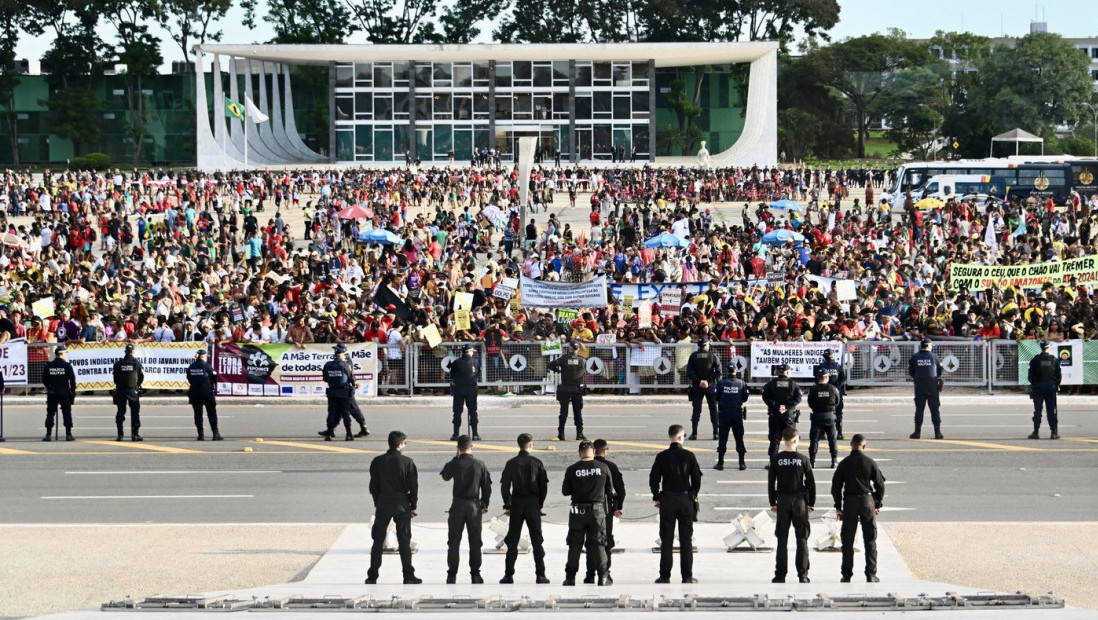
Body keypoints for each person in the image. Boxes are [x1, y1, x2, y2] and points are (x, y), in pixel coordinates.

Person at [365, 431, 422, 585]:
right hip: (402, 502)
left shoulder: (377, 461)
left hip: (383, 502)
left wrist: (378, 501)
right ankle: (408, 575)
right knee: (404, 540)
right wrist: (413, 504)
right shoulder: (408, 462)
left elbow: (373, 486)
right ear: (400, 445)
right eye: (404, 443)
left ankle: (372, 575)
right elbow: (414, 486)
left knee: (377, 540)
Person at [650, 424, 703, 584]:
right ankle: (687, 576)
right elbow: (696, 478)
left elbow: (654, 478)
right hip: (685, 499)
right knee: (686, 539)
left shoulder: (662, 456)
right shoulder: (689, 455)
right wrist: (693, 493)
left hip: (667, 499)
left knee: (666, 539)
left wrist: (657, 496)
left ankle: (664, 576)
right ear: (680, 437)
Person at [831, 434, 886, 583]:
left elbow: (836, 486)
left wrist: (838, 506)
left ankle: (847, 575)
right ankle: (871, 574)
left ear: (851, 444)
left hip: (849, 502)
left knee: (847, 541)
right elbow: (880, 484)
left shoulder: (844, 463)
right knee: (870, 540)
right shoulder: (870, 462)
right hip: (867, 501)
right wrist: (878, 503)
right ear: (864, 446)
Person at [561, 439, 614, 586]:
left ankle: (570, 577)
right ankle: (603, 576)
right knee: (599, 544)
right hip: (597, 512)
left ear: (579, 453)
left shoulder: (572, 469)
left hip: (577, 511)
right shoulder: (603, 467)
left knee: (575, 545)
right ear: (594, 452)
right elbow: (610, 491)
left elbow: (565, 491)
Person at [440, 435, 492, 584]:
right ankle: (475, 574)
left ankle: (452, 574)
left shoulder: (456, 463)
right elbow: (487, 487)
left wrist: (455, 459)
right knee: (475, 541)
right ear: (472, 447)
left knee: (454, 541)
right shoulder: (480, 464)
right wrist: (484, 504)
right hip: (474, 505)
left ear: (458, 449)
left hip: (457, 504)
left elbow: (445, 476)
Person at [499, 433, 550, 584]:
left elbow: (505, 487)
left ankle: (508, 575)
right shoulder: (537, 463)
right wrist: (539, 504)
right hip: (533, 503)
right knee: (537, 541)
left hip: (517, 503)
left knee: (512, 540)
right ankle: (540, 574)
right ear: (530, 444)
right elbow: (543, 487)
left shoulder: (511, 463)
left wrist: (508, 505)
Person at [767, 427, 815, 584]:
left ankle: (780, 575)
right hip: (799, 501)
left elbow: (771, 482)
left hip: (783, 500)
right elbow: (811, 483)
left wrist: (772, 502)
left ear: (784, 440)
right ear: (796, 440)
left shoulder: (776, 459)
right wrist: (811, 502)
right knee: (802, 538)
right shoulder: (803, 459)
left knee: (782, 539)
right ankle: (803, 574)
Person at [586, 439, 625, 584]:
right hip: (606, 507)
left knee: (590, 540)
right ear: (605, 450)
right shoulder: (611, 466)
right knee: (605, 539)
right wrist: (618, 506)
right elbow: (620, 489)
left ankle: (589, 574)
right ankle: (605, 573)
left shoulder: (586, 465)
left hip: (587, 507)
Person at [761, 364, 802, 465]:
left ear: (778, 372)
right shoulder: (793, 384)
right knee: (791, 438)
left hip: (775, 414)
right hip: (789, 415)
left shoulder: (770, 384)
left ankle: (772, 462)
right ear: (787, 372)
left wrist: (777, 406)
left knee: (775, 440)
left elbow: (766, 397)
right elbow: (798, 398)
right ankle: (793, 461)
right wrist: (786, 407)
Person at [547, 342, 586, 441]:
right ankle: (579, 433)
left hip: (565, 387)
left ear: (570, 349)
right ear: (577, 349)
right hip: (577, 388)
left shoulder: (564, 359)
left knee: (563, 412)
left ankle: (561, 433)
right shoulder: (582, 360)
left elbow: (550, 365)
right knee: (577, 412)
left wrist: (559, 371)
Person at [714, 361, 749, 470]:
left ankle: (720, 463)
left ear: (726, 370)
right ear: (736, 370)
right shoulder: (741, 383)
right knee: (739, 437)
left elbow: (716, 397)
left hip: (724, 413)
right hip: (736, 413)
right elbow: (745, 397)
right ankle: (741, 463)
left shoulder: (721, 383)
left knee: (723, 438)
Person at [685, 337, 721, 440]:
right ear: (706, 345)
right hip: (710, 386)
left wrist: (699, 381)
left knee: (696, 410)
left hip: (697, 386)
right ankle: (716, 433)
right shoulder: (713, 356)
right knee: (713, 410)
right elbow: (718, 372)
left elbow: (689, 372)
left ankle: (694, 433)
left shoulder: (693, 356)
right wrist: (708, 381)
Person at [907, 339, 944, 439]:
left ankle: (917, 433)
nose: (932, 346)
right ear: (928, 345)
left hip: (919, 386)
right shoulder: (934, 356)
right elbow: (940, 370)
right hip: (932, 386)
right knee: (935, 410)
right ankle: (938, 433)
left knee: (919, 410)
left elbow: (911, 372)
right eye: (931, 345)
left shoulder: (915, 357)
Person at [807, 367, 840, 468]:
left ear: (818, 377)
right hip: (829, 416)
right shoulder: (833, 389)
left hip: (817, 416)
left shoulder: (812, 389)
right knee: (832, 440)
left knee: (814, 440)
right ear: (827, 377)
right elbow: (837, 402)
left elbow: (810, 403)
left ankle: (812, 461)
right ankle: (834, 460)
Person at [1027, 340, 1061, 439]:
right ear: (1048, 347)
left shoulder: (1035, 359)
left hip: (1038, 386)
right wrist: (1057, 384)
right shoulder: (1054, 360)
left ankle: (1036, 432)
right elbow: (1058, 375)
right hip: (1051, 387)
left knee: (1038, 410)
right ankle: (1054, 432)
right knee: (1051, 410)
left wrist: (1034, 385)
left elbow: (1030, 376)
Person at [43, 344, 77, 441]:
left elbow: (45, 380)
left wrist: (49, 387)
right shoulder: (67, 366)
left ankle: (48, 435)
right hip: (64, 393)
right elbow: (72, 380)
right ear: (61, 354)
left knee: (50, 413)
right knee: (66, 413)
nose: (66, 355)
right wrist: (72, 392)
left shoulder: (48, 366)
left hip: (52, 393)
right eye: (65, 353)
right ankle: (68, 434)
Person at [322, 343, 355, 441]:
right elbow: (351, 378)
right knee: (345, 414)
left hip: (332, 392)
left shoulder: (327, 364)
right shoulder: (345, 365)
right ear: (341, 355)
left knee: (331, 413)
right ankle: (348, 434)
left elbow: (325, 378)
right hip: (343, 392)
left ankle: (328, 434)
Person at [112, 343, 144, 442]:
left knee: (120, 412)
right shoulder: (136, 363)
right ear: (133, 352)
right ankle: (135, 435)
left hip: (121, 390)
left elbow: (115, 379)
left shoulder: (118, 363)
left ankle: (120, 435)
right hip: (132, 390)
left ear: (125, 351)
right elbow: (141, 377)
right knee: (135, 413)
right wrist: (137, 385)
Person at [186, 349, 221, 440]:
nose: (206, 358)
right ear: (202, 357)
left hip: (194, 392)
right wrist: (211, 385)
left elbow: (189, 378)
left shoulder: (191, 366)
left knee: (197, 414)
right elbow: (215, 376)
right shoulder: (207, 366)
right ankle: (215, 434)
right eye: (206, 356)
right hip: (207, 392)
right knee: (212, 413)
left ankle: (200, 435)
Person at [813, 349, 847, 439]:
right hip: (824, 391)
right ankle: (822, 433)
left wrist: (836, 386)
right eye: (829, 357)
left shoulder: (838, 366)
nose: (830, 358)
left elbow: (843, 378)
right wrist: (822, 386)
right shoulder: (821, 366)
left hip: (835, 392)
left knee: (838, 413)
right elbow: (816, 378)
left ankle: (839, 432)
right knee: (823, 411)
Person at [450, 344, 480, 440]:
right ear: (468, 352)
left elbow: (452, 374)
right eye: (471, 351)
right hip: (471, 389)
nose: (472, 353)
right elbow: (477, 373)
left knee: (457, 412)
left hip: (458, 389)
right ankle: (475, 434)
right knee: (473, 411)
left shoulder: (456, 362)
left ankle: (455, 434)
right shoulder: (475, 362)